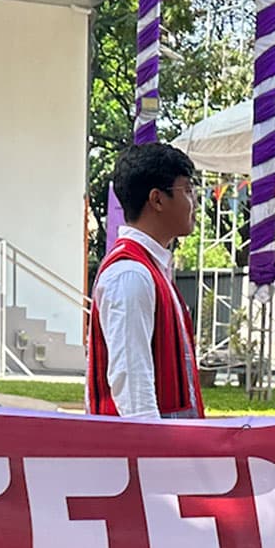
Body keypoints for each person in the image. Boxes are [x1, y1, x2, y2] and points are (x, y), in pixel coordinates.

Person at [90, 144, 205, 419]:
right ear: (157, 200)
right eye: (188, 190)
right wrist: (150, 443)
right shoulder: (131, 274)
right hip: (144, 443)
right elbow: (132, 384)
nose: (196, 202)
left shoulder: (150, 268)